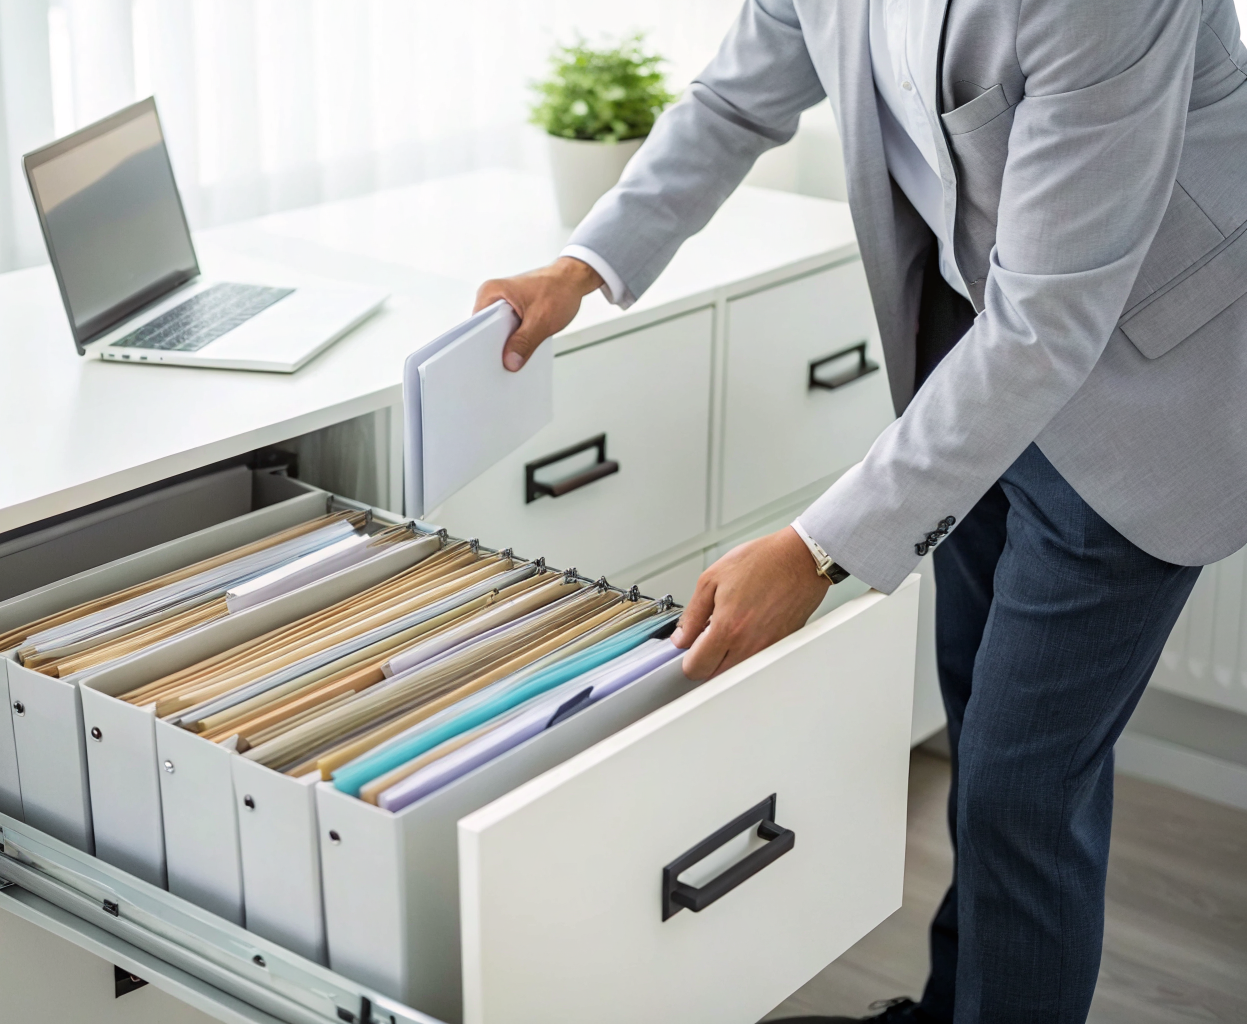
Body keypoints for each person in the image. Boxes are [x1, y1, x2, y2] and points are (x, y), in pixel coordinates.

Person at [475, 1, 1247, 1021]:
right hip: (973, 364)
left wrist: (818, 548)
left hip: (1145, 382)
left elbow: (1053, 320)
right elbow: (732, 101)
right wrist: (582, 266)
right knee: (986, 743)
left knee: (1022, 787)